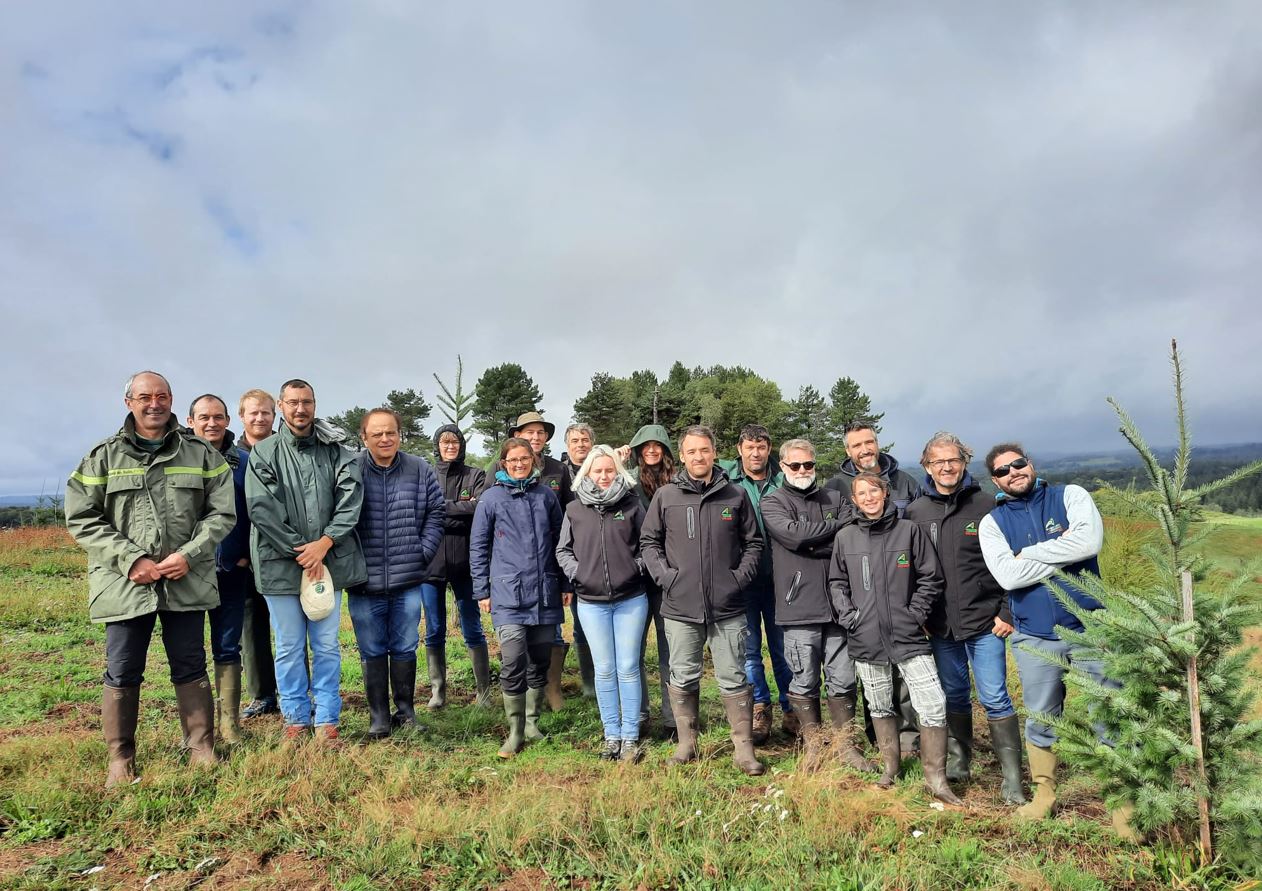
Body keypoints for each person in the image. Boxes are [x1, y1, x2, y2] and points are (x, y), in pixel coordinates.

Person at [66, 370, 235, 786]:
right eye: (145, 396)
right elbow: (82, 518)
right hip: (124, 583)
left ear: (172, 400)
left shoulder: (201, 454)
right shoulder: (102, 457)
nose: (154, 403)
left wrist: (189, 555)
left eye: (161, 395)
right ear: (129, 402)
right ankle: (120, 759)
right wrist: (130, 559)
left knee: (190, 662)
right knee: (122, 669)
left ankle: (200, 746)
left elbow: (221, 513)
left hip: (186, 579)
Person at [977, 443, 1136, 838]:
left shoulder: (1072, 496)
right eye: (1002, 470)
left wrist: (1027, 554)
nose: (1013, 471)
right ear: (994, 480)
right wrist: (1059, 552)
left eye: (1018, 463)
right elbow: (1008, 578)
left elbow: (1089, 544)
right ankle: (1044, 795)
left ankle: (1124, 809)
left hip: (1091, 629)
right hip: (1033, 637)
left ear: (1031, 464)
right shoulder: (992, 523)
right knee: (1042, 716)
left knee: (1109, 715)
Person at [905, 432, 1025, 804]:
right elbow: (909, 571)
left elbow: (1015, 560)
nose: (946, 467)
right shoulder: (916, 512)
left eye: (953, 460)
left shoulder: (987, 505)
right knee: (955, 694)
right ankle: (960, 762)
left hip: (986, 621)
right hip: (941, 626)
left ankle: (1012, 778)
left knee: (994, 696)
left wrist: (1007, 610)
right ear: (927, 466)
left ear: (964, 463)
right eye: (938, 461)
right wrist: (919, 614)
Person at [828, 472, 962, 805]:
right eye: (861, 493)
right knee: (880, 703)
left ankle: (936, 777)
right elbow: (836, 583)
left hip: (908, 636)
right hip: (866, 637)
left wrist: (914, 614)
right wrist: (850, 618)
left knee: (932, 702)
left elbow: (930, 578)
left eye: (874, 490)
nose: (869, 497)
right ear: (854, 500)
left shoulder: (909, 531)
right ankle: (891, 768)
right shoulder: (846, 538)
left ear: (885, 493)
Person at [244, 379, 366, 744]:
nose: (301, 409)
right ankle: (295, 719)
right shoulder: (264, 453)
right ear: (281, 406)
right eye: (293, 403)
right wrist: (303, 550)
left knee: (327, 645)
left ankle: (327, 719)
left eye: (307, 402)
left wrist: (324, 544)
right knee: (289, 646)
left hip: (327, 563)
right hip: (280, 567)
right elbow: (262, 508)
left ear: (315, 405)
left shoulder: (337, 452)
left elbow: (351, 500)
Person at [640, 425, 766, 776]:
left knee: (734, 676)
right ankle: (687, 743)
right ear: (682, 456)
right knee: (682, 675)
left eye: (705, 450)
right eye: (692, 451)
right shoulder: (666, 496)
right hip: (680, 608)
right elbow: (649, 543)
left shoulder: (735, 495)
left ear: (715, 453)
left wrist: (737, 579)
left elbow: (753, 544)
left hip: (728, 608)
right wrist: (667, 578)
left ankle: (744, 748)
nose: (699, 456)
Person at [760, 438, 874, 772]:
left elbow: (848, 537)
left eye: (807, 464)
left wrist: (811, 541)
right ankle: (812, 745)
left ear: (815, 465)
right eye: (794, 465)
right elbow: (793, 537)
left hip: (839, 608)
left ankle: (846, 746)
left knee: (842, 680)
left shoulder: (835, 497)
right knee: (803, 680)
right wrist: (822, 536)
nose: (802, 471)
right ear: (782, 466)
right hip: (798, 608)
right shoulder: (773, 502)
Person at [824, 420, 922, 752]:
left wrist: (918, 608)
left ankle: (909, 740)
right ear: (847, 451)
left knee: (907, 676)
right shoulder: (835, 487)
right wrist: (847, 609)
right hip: (862, 597)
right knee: (873, 676)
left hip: (902, 595)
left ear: (877, 443)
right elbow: (832, 544)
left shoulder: (905, 482)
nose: (864, 450)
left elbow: (920, 538)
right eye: (856, 445)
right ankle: (881, 740)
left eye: (869, 442)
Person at [351, 409, 445, 738]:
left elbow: (436, 512)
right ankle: (378, 718)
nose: (385, 439)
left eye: (390, 432)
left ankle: (405, 711)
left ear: (399, 434)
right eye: (376, 434)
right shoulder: (351, 470)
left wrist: (423, 552)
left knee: (405, 647)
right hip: (364, 582)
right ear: (364, 437)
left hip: (408, 579)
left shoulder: (420, 469)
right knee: (372, 649)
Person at [470, 437, 567, 757]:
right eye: (512, 460)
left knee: (540, 659)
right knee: (513, 660)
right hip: (507, 593)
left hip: (544, 591)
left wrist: (565, 583)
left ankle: (531, 723)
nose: (519, 464)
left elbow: (561, 542)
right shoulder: (490, 499)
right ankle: (513, 731)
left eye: (524, 459)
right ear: (503, 464)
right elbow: (479, 546)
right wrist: (482, 589)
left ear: (533, 461)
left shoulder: (545, 496)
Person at [556, 445, 648, 762]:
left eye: (610, 470)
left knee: (627, 667)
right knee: (605, 670)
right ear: (588, 473)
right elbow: (563, 551)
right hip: (590, 602)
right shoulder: (575, 509)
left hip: (631, 600)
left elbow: (647, 545)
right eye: (598, 471)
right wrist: (579, 573)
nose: (604, 476)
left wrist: (634, 568)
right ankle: (612, 735)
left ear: (618, 471)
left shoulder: (632, 505)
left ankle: (631, 738)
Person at [719, 424, 796, 742]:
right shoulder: (726, 477)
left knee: (783, 649)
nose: (755, 453)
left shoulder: (785, 477)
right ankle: (760, 707)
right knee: (749, 651)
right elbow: (690, 460)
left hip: (781, 578)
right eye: (749, 447)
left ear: (769, 448)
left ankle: (793, 709)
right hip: (743, 580)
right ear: (739, 450)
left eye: (761, 447)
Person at [186, 393, 250, 744]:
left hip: (232, 569)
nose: (211, 423)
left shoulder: (244, 461)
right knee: (191, 650)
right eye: (204, 417)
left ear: (228, 421)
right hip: (189, 571)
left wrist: (246, 555)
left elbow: (256, 510)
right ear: (190, 420)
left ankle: (230, 725)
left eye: (218, 417)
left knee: (228, 646)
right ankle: (199, 730)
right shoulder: (177, 457)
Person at [509, 411, 585, 707]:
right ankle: (526, 690)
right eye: (529, 432)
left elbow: (572, 511)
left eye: (540, 432)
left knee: (551, 624)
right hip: (515, 565)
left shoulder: (557, 469)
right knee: (519, 628)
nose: (536, 437)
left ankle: (551, 688)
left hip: (551, 558)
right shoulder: (501, 466)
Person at [422, 424, 492, 707]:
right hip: (431, 566)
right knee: (434, 629)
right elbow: (421, 512)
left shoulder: (475, 475)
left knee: (472, 626)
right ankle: (438, 691)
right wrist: (458, 510)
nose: (450, 446)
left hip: (466, 564)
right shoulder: (426, 475)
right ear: (437, 445)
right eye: (444, 442)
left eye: (455, 442)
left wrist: (440, 509)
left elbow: (479, 509)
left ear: (461, 445)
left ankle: (484, 691)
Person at [626, 424, 676, 739]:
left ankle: (674, 719)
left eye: (658, 446)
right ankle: (639, 714)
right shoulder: (629, 480)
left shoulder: (678, 480)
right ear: (639, 449)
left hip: (670, 576)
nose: (652, 451)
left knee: (670, 650)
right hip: (636, 577)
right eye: (646, 446)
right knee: (634, 652)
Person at [236, 389, 280, 719]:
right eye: (253, 412)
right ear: (242, 416)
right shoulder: (232, 458)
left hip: (284, 553)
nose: (260, 418)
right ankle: (262, 694)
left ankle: (296, 690)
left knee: (293, 627)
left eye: (265, 412)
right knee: (252, 628)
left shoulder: (285, 451)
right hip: (245, 558)